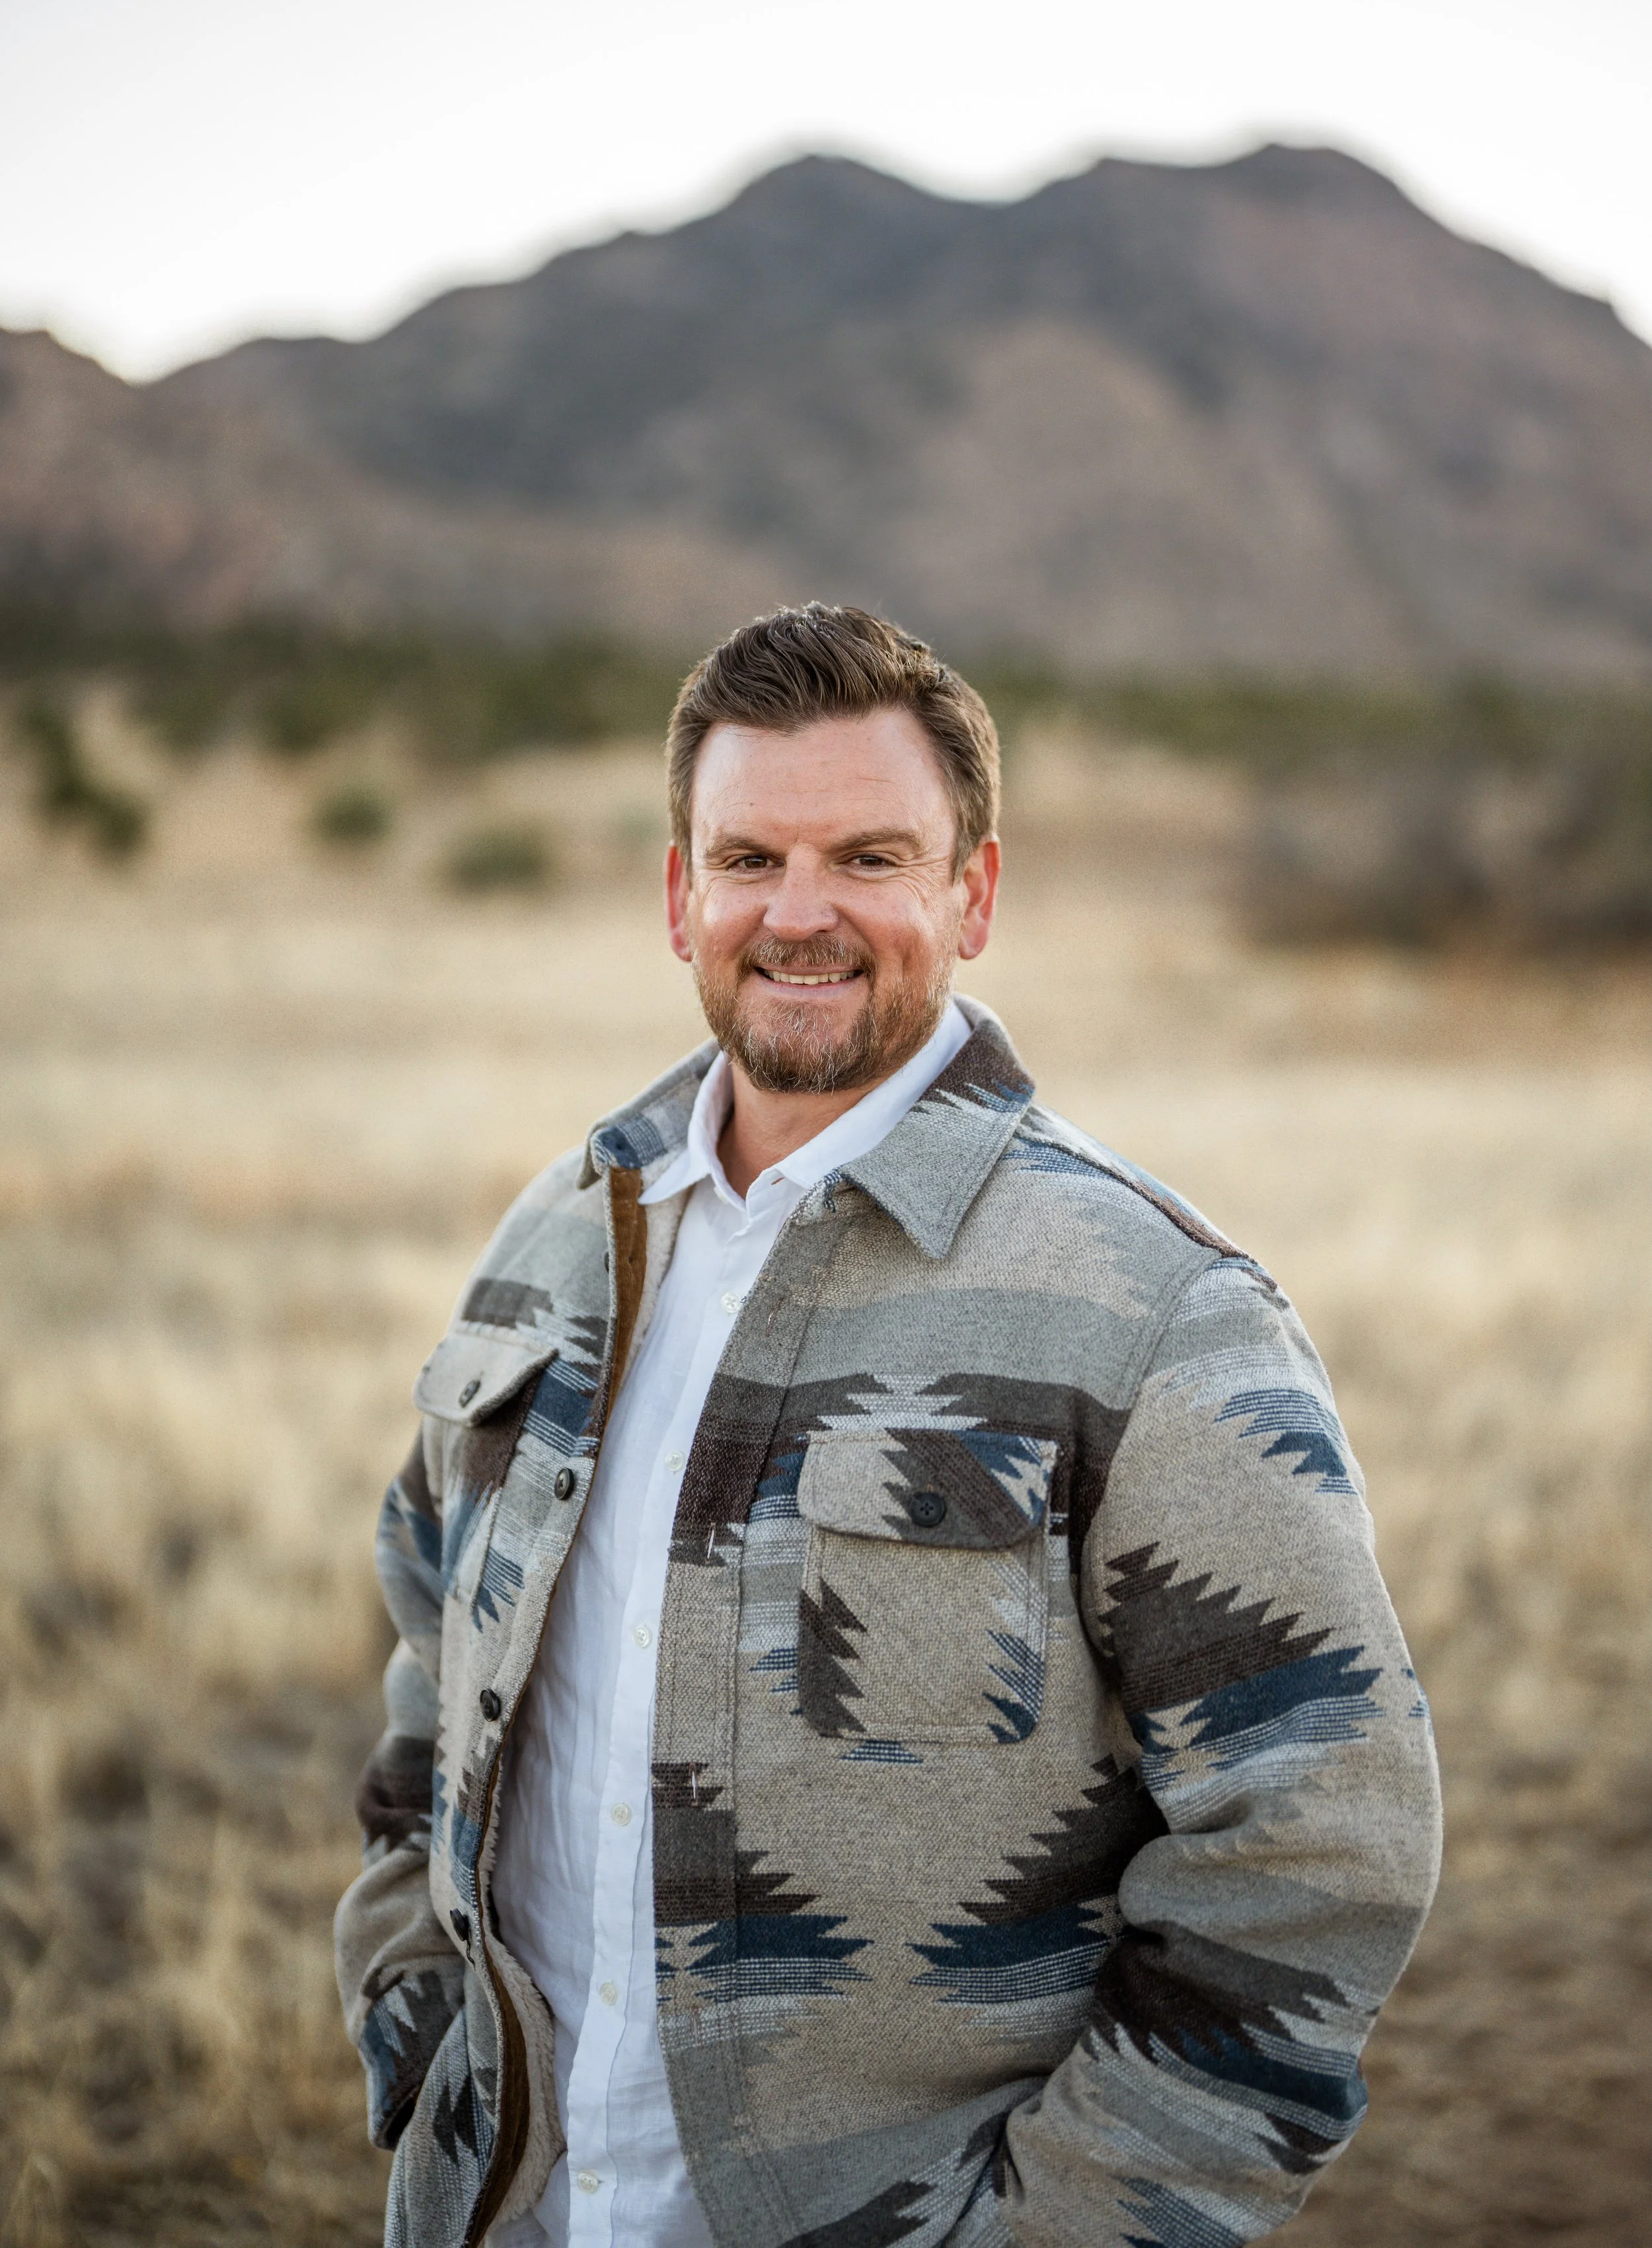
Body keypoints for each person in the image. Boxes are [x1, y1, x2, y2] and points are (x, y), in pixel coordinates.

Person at [336, 603, 1441, 2248]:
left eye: (868, 857)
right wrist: (413, 2030)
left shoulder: (1148, 1309)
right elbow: (430, 1665)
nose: (800, 916)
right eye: (748, 858)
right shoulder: (554, 1249)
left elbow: (1320, 1837)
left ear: (971, 895)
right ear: (677, 895)